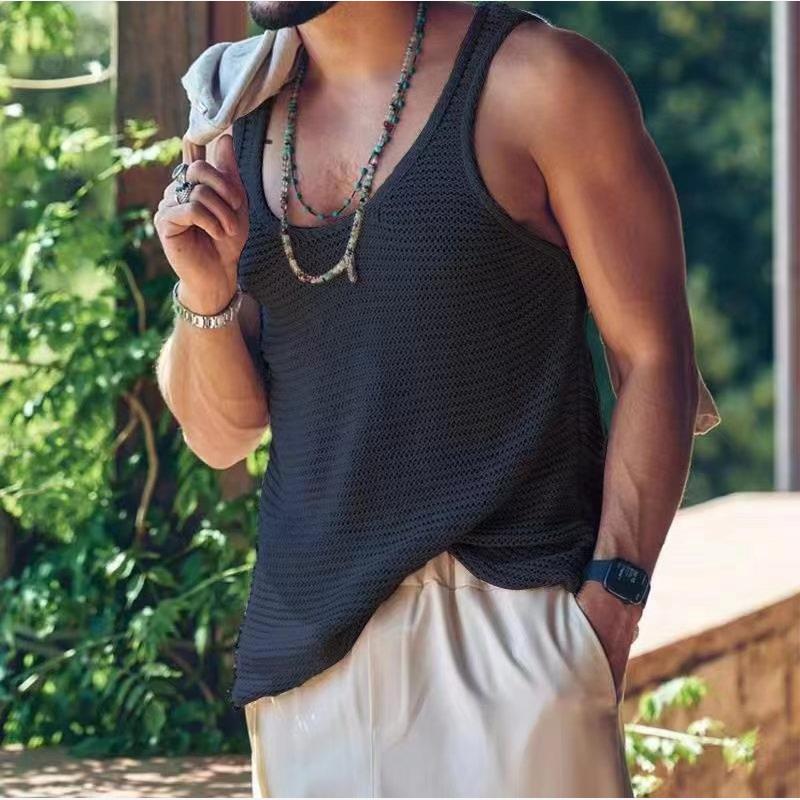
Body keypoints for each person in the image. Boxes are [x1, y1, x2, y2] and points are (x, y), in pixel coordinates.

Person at [155, 2, 720, 796]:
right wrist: (205, 291)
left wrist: (607, 612)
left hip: (509, 632)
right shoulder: (234, 113)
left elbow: (654, 357)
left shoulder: (541, 83)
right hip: (307, 664)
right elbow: (222, 437)